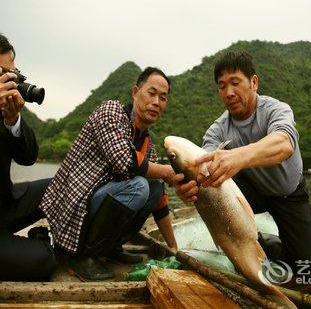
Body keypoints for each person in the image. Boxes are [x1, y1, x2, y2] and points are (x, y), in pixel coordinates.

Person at [174, 51, 311, 271]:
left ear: (254, 82)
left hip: (290, 193)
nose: (229, 92)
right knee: (213, 180)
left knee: (304, 265)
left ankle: (267, 243)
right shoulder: (218, 130)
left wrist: (238, 156)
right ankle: (246, 242)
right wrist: (188, 186)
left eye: (235, 82)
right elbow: (202, 167)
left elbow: (284, 144)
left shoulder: (276, 110)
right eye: (222, 86)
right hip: (251, 193)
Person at [40, 67, 178, 280]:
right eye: (151, 93)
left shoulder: (147, 144)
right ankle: (81, 257)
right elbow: (125, 161)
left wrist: (174, 248)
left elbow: (160, 201)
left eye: (163, 98)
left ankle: (109, 248)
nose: (157, 102)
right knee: (139, 186)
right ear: (135, 92)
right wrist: (166, 171)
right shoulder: (111, 111)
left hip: (98, 205)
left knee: (154, 189)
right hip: (76, 206)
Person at [0, 33, 56, 281]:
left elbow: (29, 157)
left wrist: (12, 121)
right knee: (43, 261)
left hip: (4, 204)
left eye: (11, 74)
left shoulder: (4, 110)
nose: (7, 80)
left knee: (62, 184)